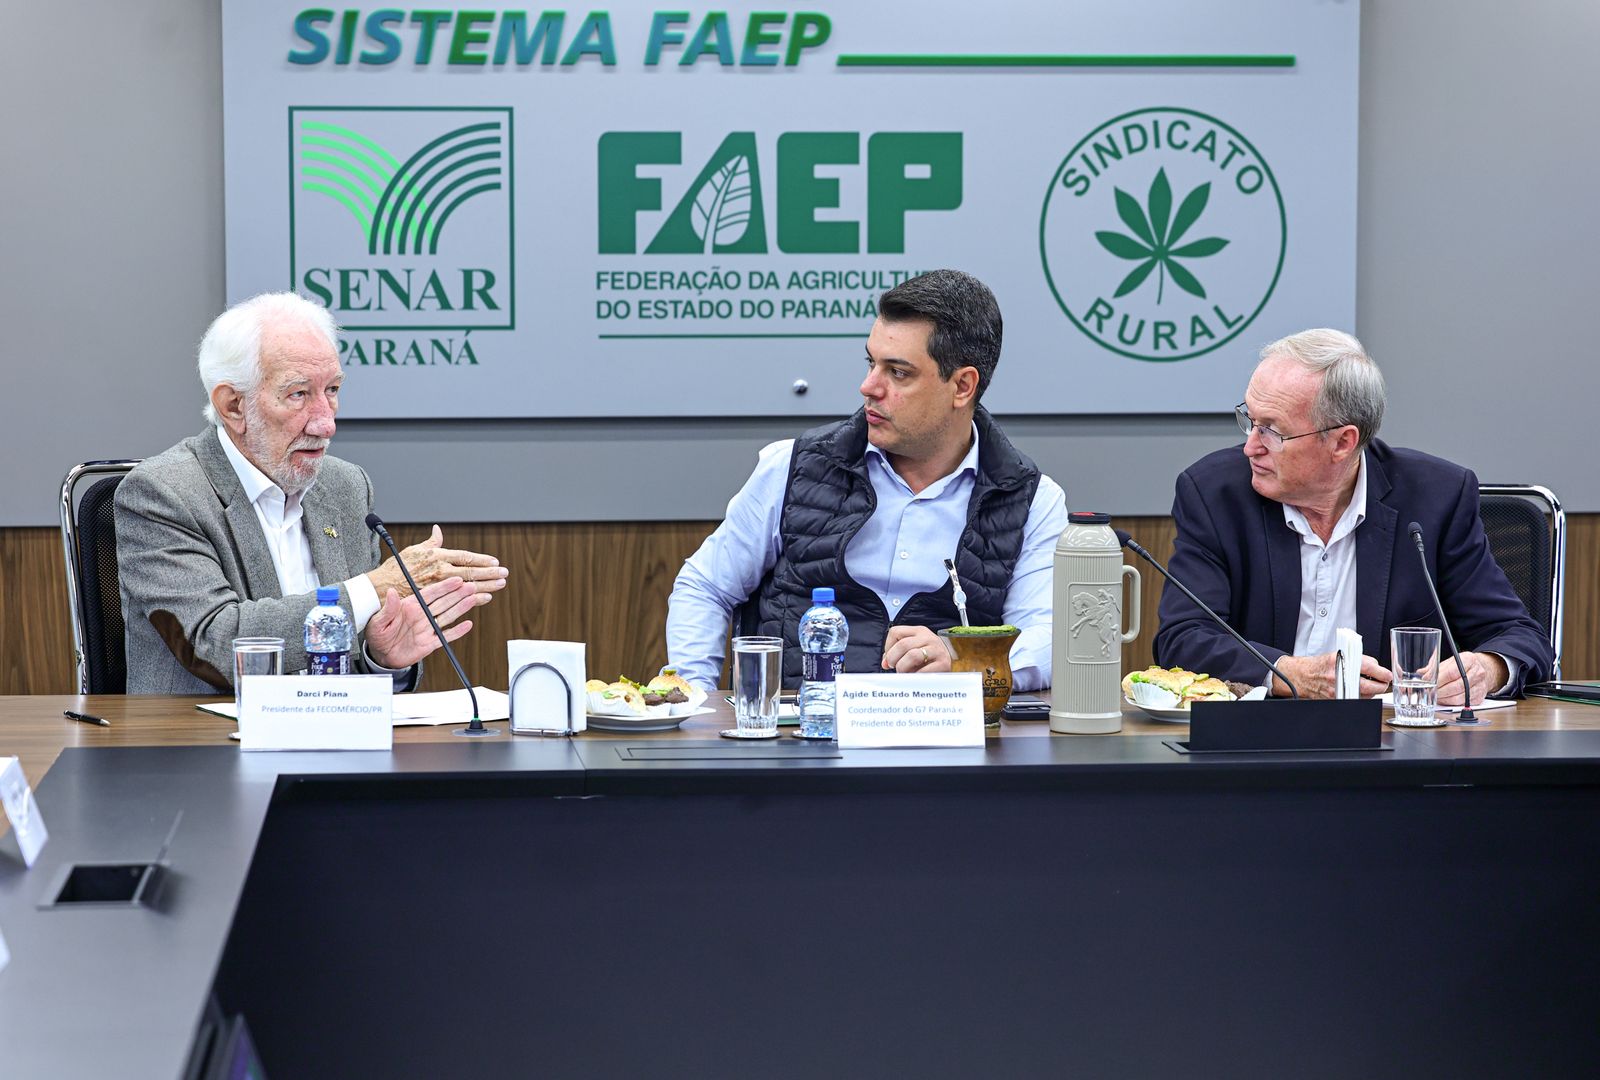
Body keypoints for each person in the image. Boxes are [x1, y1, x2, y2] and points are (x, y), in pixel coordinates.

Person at [666, 270, 1068, 691]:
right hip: (800, 727)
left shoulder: (1031, 500)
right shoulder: (793, 466)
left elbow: (1049, 639)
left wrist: (964, 661)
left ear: (962, 386)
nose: (868, 387)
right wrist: (697, 702)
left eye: (898, 372)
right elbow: (705, 587)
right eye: (871, 363)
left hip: (941, 729)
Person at [116, 292, 509, 693]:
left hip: (335, 728)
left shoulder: (345, 487)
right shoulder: (164, 494)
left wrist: (382, 658)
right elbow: (215, 643)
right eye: (299, 394)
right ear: (233, 406)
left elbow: (356, 651)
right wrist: (375, 587)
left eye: (332, 390)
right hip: (203, 731)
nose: (326, 424)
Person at [1153, 329, 1552, 703]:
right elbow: (1183, 637)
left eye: (1272, 431)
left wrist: (1487, 669)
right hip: (1258, 735)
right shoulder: (1214, 494)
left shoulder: (1436, 498)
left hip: (1395, 739)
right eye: (1251, 422)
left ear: (1343, 442)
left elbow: (1519, 636)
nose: (1250, 447)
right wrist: (1288, 674)